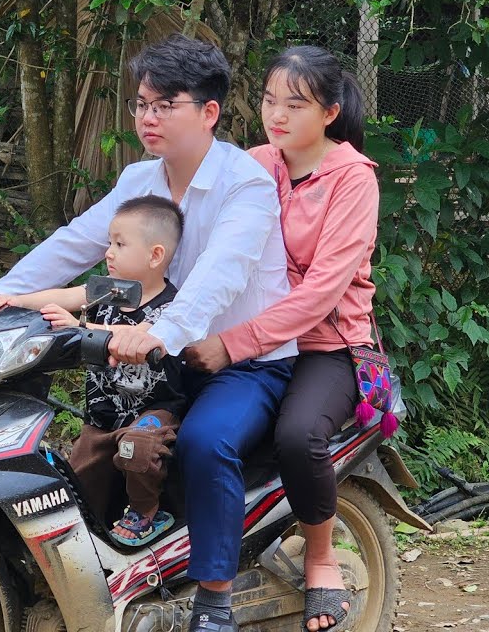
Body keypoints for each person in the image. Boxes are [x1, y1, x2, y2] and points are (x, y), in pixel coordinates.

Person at [0, 34, 297, 632]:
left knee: (207, 441)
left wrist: (163, 330)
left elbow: (220, 277)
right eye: (140, 104)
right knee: (88, 445)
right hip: (154, 359)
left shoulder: (246, 185)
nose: (147, 117)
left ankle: (213, 601)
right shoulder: (139, 180)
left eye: (164, 105)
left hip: (241, 360)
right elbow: (72, 246)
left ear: (209, 112)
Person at [184, 45, 378, 631]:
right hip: (258, 343)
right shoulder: (252, 162)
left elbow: (321, 294)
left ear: (330, 111)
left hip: (328, 345)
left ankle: (320, 558)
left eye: (295, 104)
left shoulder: (352, 180)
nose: (278, 114)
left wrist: (233, 343)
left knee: (298, 436)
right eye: (270, 100)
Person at [0, 195, 188, 546]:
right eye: (110, 243)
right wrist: (13, 298)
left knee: (137, 447)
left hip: (152, 413)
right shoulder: (112, 291)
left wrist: (82, 329)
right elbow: (67, 296)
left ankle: (147, 511)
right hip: (102, 416)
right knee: (77, 491)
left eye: (120, 244)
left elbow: (145, 336)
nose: (108, 252)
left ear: (155, 255)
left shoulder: (176, 306)